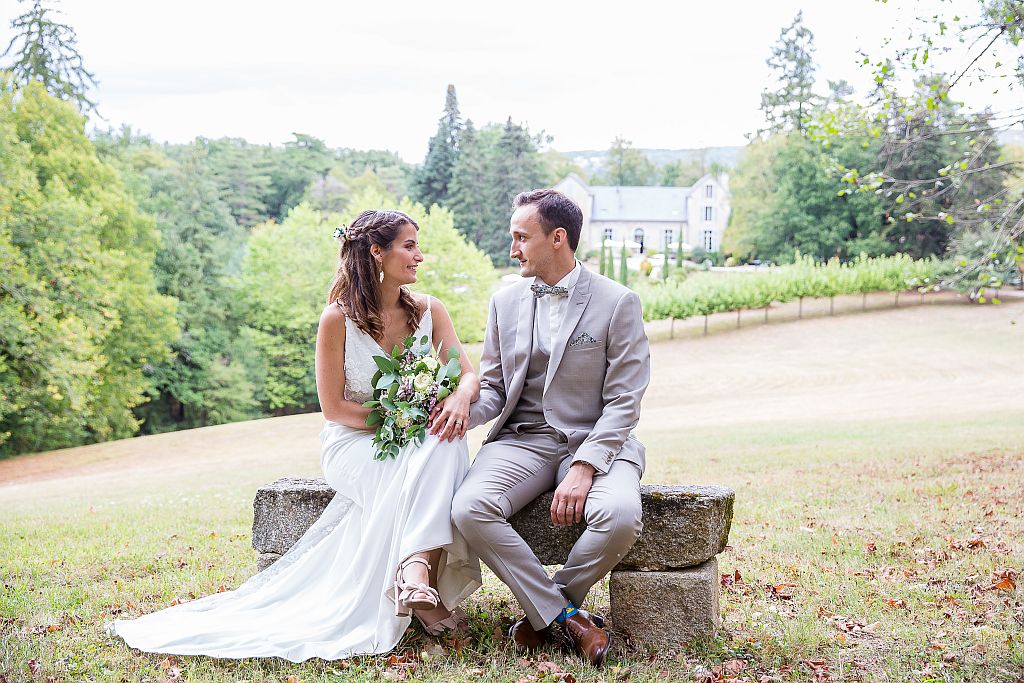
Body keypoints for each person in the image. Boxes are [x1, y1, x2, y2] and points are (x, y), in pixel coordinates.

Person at [109, 209, 482, 662]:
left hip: (411, 436)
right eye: (410, 246)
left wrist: (460, 399)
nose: (420, 256)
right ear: (376, 252)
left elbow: (466, 375)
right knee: (430, 454)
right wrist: (402, 418)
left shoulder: (429, 309)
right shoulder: (336, 319)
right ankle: (420, 580)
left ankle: (415, 574)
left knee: (444, 441)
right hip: (355, 442)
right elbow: (336, 409)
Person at [452, 189, 650, 667]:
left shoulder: (618, 302)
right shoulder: (505, 302)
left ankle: (545, 611)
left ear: (557, 238)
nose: (513, 248)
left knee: (620, 515)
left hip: (597, 439)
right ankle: (568, 619)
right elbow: (496, 388)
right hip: (522, 440)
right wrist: (458, 409)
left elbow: (625, 399)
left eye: (522, 237)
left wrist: (585, 466)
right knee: (470, 507)